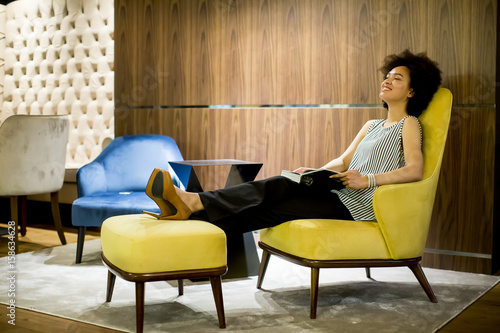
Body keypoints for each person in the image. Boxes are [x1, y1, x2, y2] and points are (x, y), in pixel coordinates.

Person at [142, 49, 442, 236]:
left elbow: (416, 170)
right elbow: (342, 162)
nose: (387, 81)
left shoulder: (408, 124)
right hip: (338, 192)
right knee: (282, 187)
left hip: (360, 205)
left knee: (276, 201)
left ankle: (194, 203)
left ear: (413, 92)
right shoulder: (372, 124)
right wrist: (313, 173)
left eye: (397, 79)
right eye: (387, 76)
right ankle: (189, 220)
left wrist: (369, 179)